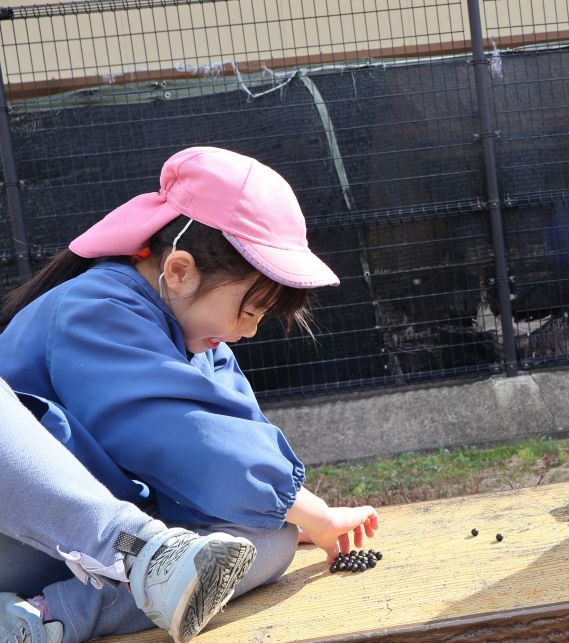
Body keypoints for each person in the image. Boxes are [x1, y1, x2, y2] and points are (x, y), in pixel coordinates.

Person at [0, 146, 379, 643]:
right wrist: (314, 512)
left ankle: (44, 619)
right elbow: (189, 439)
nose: (249, 331)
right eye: (251, 309)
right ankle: (127, 564)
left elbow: (239, 438)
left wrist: (282, 512)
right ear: (178, 271)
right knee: (269, 527)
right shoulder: (93, 307)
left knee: (268, 538)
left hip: (67, 558)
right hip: (23, 537)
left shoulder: (195, 338)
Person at [0, 376, 256, 643]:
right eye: (242, 328)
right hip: (73, 529)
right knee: (135, 544)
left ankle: (48, 616)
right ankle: (145, 552)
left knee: (273, 532)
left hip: (106, 529)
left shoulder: (214, 358)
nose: (250, 333)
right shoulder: (88, 334)